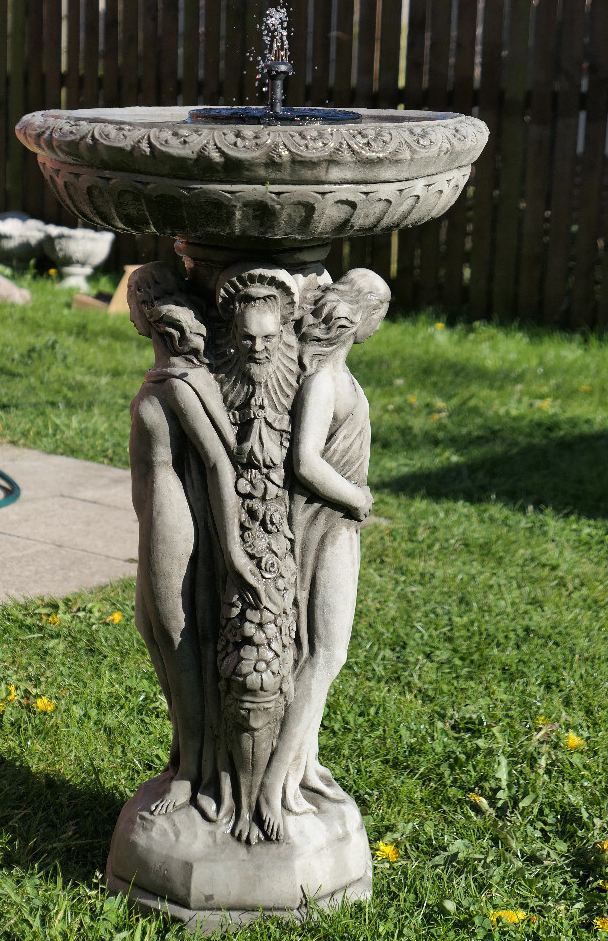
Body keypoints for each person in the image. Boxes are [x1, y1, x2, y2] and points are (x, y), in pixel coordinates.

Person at [256, 268, 391, 841]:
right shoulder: (323, 384)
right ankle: (274, 782)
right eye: (380, 308)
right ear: (358, 319)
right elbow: (306, 461)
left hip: (342, 525)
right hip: (326, 526)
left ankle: (303, 766)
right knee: (323, 655)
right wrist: (357, 495)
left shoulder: (341, 377)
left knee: (319, 652)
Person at [128, 263, 263, 820]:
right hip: (154, 509)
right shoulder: (174, 376)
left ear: (150, 318)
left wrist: (232, 546)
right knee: (151, 627)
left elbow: (218, 462)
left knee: (176, 632)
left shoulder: (180, 385)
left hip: (169, 513)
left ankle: (192, 773)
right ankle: (184, 753)